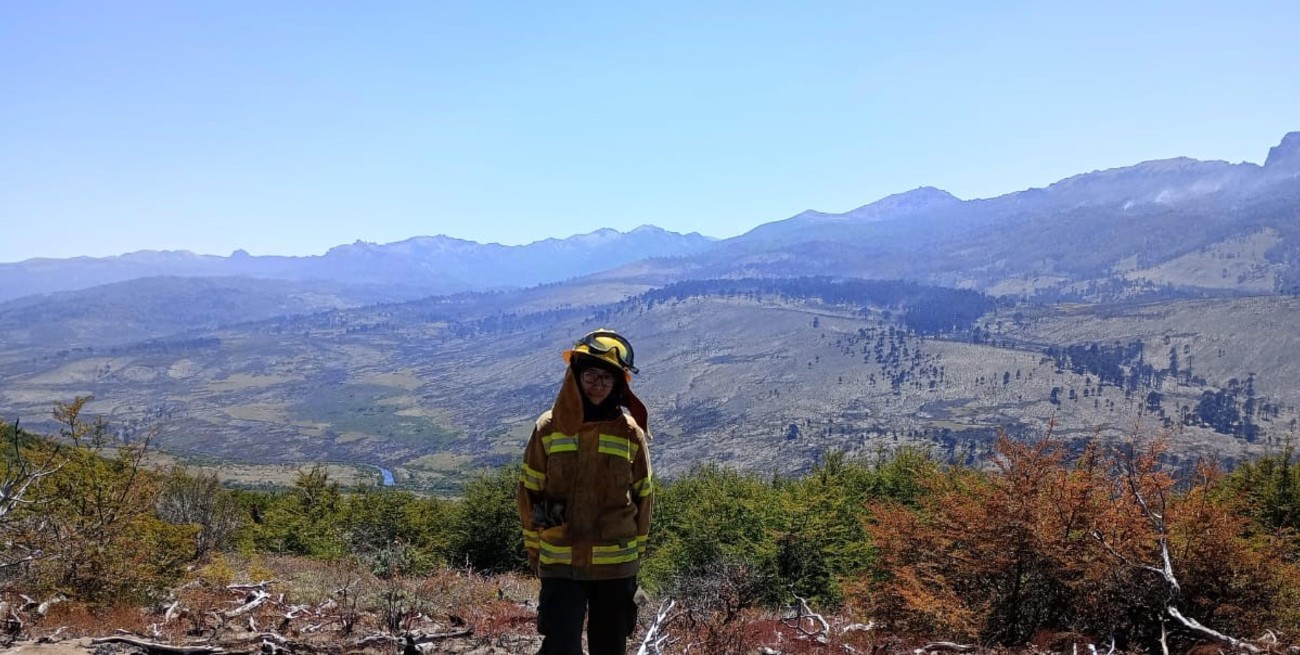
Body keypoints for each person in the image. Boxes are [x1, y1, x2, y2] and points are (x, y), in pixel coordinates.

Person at [517, 329, 654, 655]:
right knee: (560, 647)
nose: (599, 384)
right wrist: (536, 551)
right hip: (561, 559)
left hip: (615, 566)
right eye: (591, 374)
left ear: (619, 384)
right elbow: (529, 492)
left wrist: (635, 556)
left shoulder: (629, 432)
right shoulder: (548, 428)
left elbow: (644, 496)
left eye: (608, 377)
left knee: (609, 647)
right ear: (575, 375)